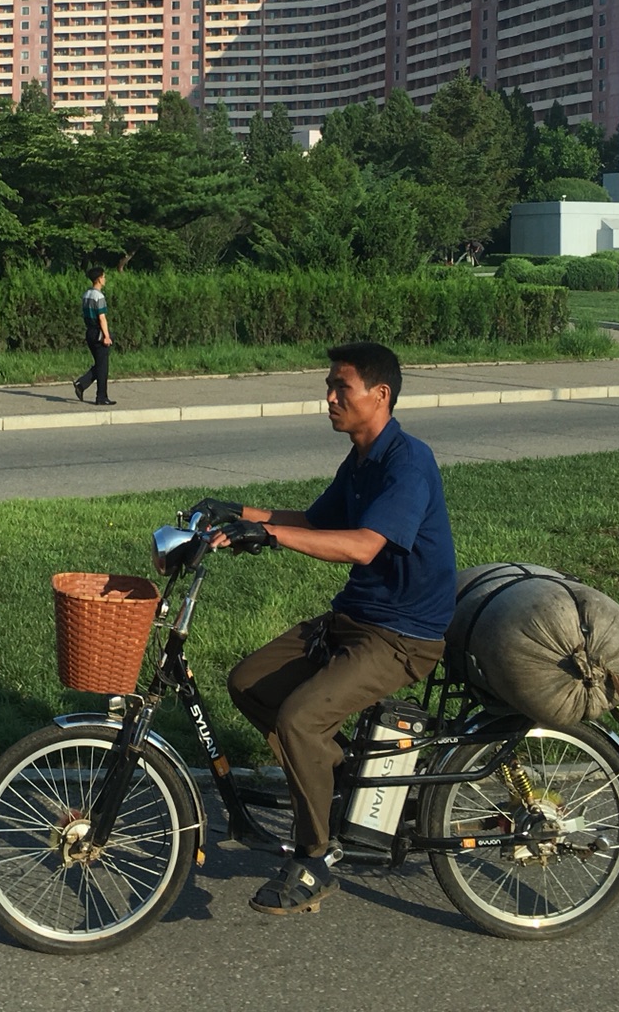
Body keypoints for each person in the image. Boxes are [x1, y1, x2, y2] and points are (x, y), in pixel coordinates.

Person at [204, 342, 457, 917]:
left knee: (299, 718)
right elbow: (317, 522)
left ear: (380, 395)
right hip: (356, 619)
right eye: (329, 386)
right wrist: (237, 512)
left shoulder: (408, 463)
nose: (328, 398)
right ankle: (337, 778)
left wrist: (269, 536)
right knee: (249, 682)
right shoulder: (362, 459)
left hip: (402, 635)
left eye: (340, 388)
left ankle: (315, 860)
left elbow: (362, 546)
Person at [72, 267, 114, 405]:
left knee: (100, 364)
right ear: (99, 279)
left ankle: (81, 384)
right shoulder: (99, 296)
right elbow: (102, 318)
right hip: (98, 333)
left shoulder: (86, 294)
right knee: (103, 367)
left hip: (89, 331)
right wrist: (107, 336)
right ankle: (101, 397)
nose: (105, 279)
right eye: (104, 277)